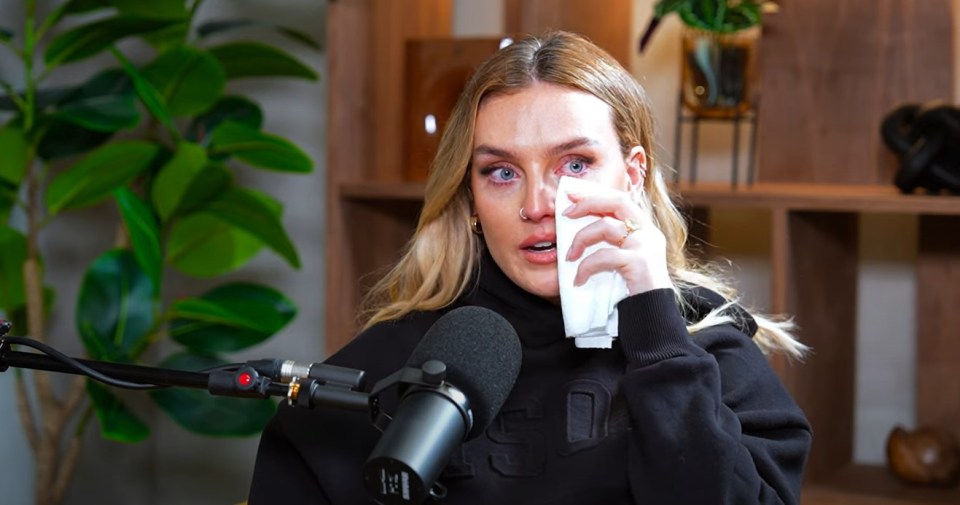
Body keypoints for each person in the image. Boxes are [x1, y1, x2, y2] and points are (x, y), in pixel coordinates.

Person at [248, 31, 811, 505]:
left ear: (632, 175)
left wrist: (655, 332)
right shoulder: (398, 358)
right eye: (501, 172)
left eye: (575, 163)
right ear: (469, 198)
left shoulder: (707, 347)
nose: (538, 205)